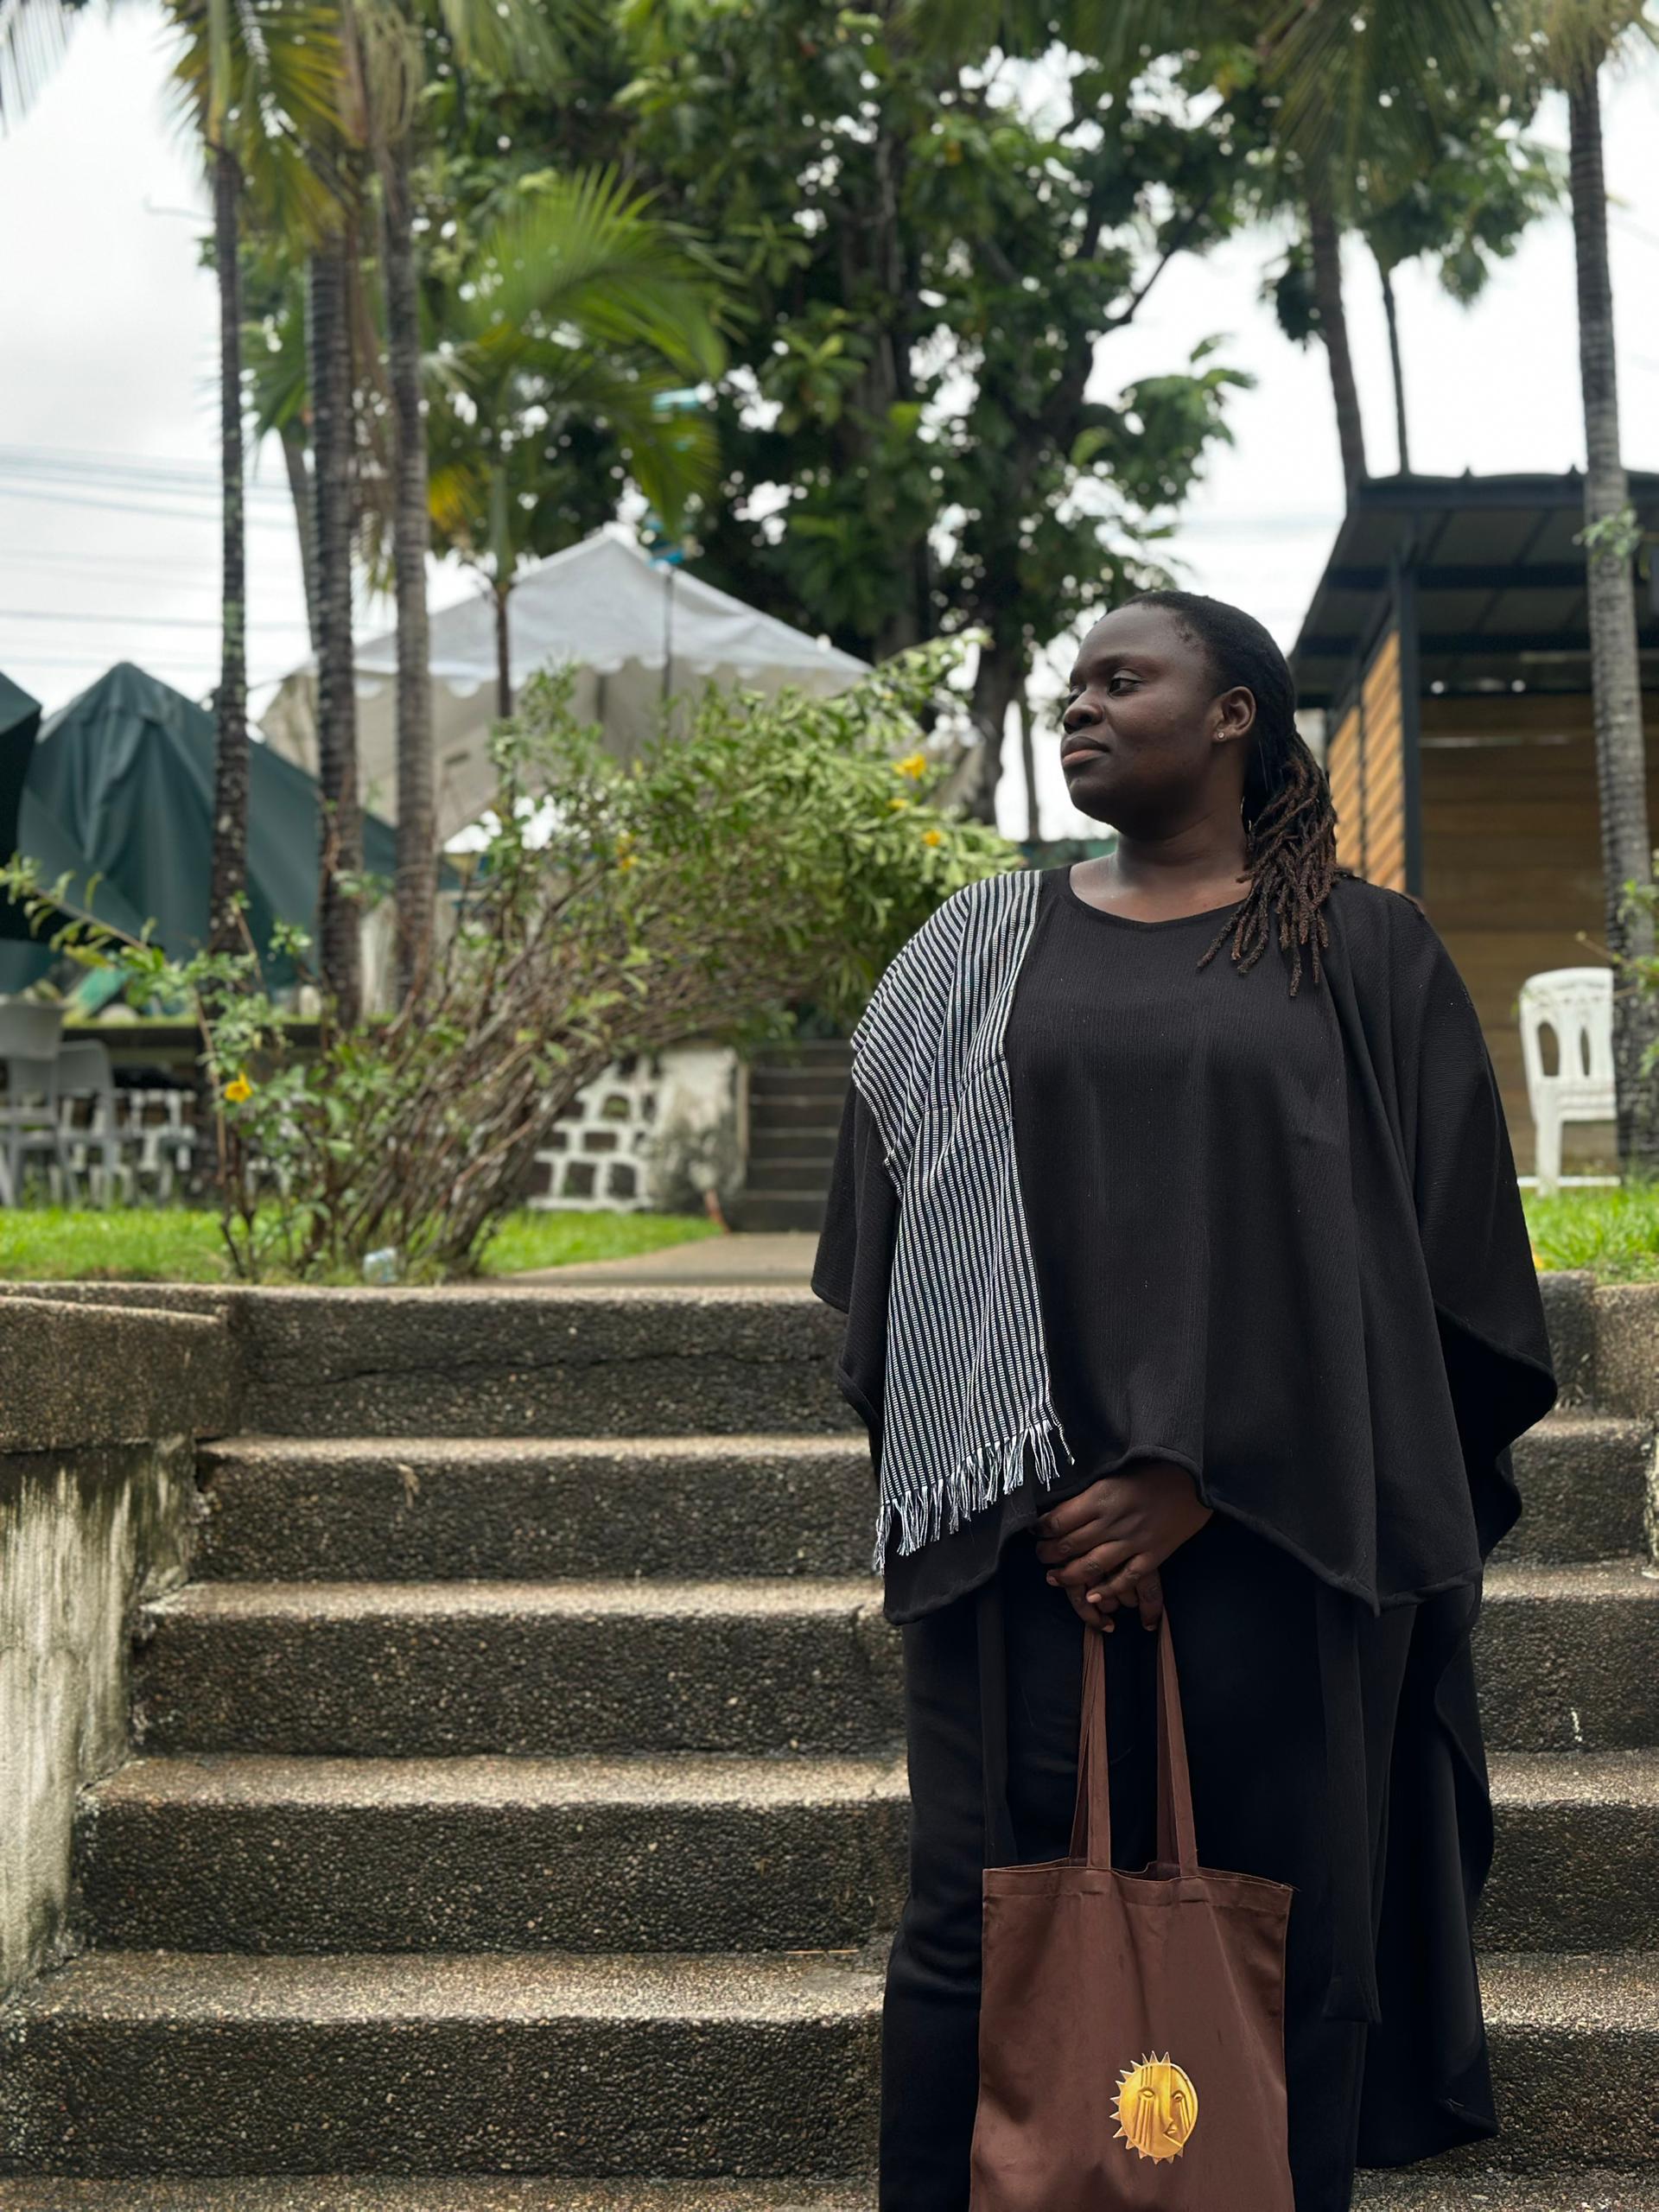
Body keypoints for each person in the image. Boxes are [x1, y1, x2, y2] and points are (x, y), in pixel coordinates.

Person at [809, 589, 1560, 2212]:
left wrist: (1207, 1470)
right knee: (972, 1927)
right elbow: (891, 1237)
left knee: (1293, 1928)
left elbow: (1436, 1274)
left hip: (1286, 1555)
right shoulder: (975, 950)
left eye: (1121, 679)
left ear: (1233, 716)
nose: (1080, 705)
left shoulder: (1365, 953)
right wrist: (1026, 1468)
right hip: (1014, 1551)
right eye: (1071, 685)